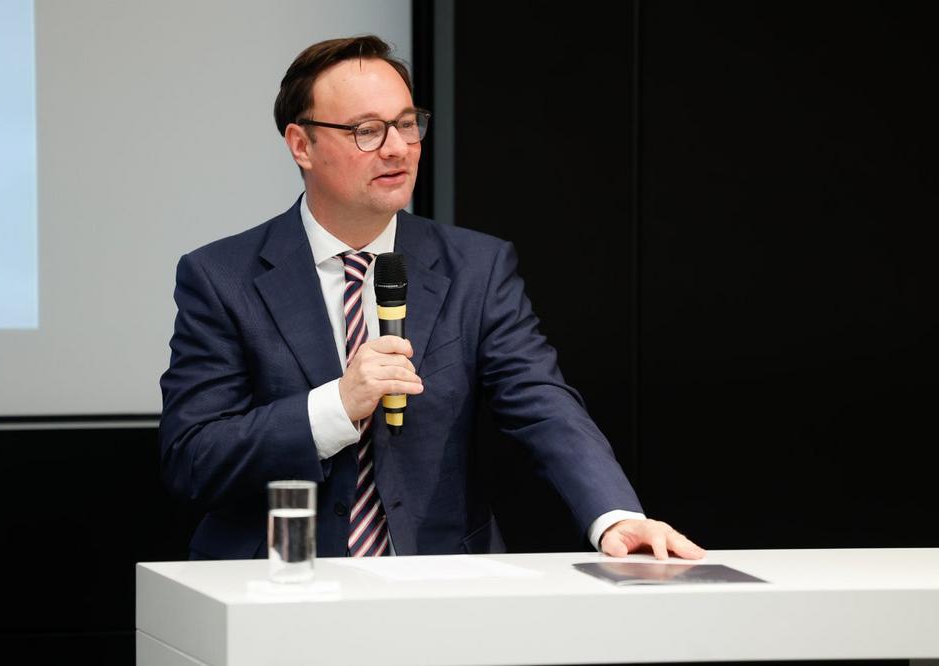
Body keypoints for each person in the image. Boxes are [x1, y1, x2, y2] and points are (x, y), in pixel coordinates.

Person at [159, 36, 704, 562]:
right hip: (278, 579)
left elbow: (542, 402)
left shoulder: (476, 267)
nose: (398, 148)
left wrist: (615, 516)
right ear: (302, 145)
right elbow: (194, 457)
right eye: (367, 131)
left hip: (438, 576)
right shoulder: (221, 277)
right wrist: (337, 406)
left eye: (406, 124)